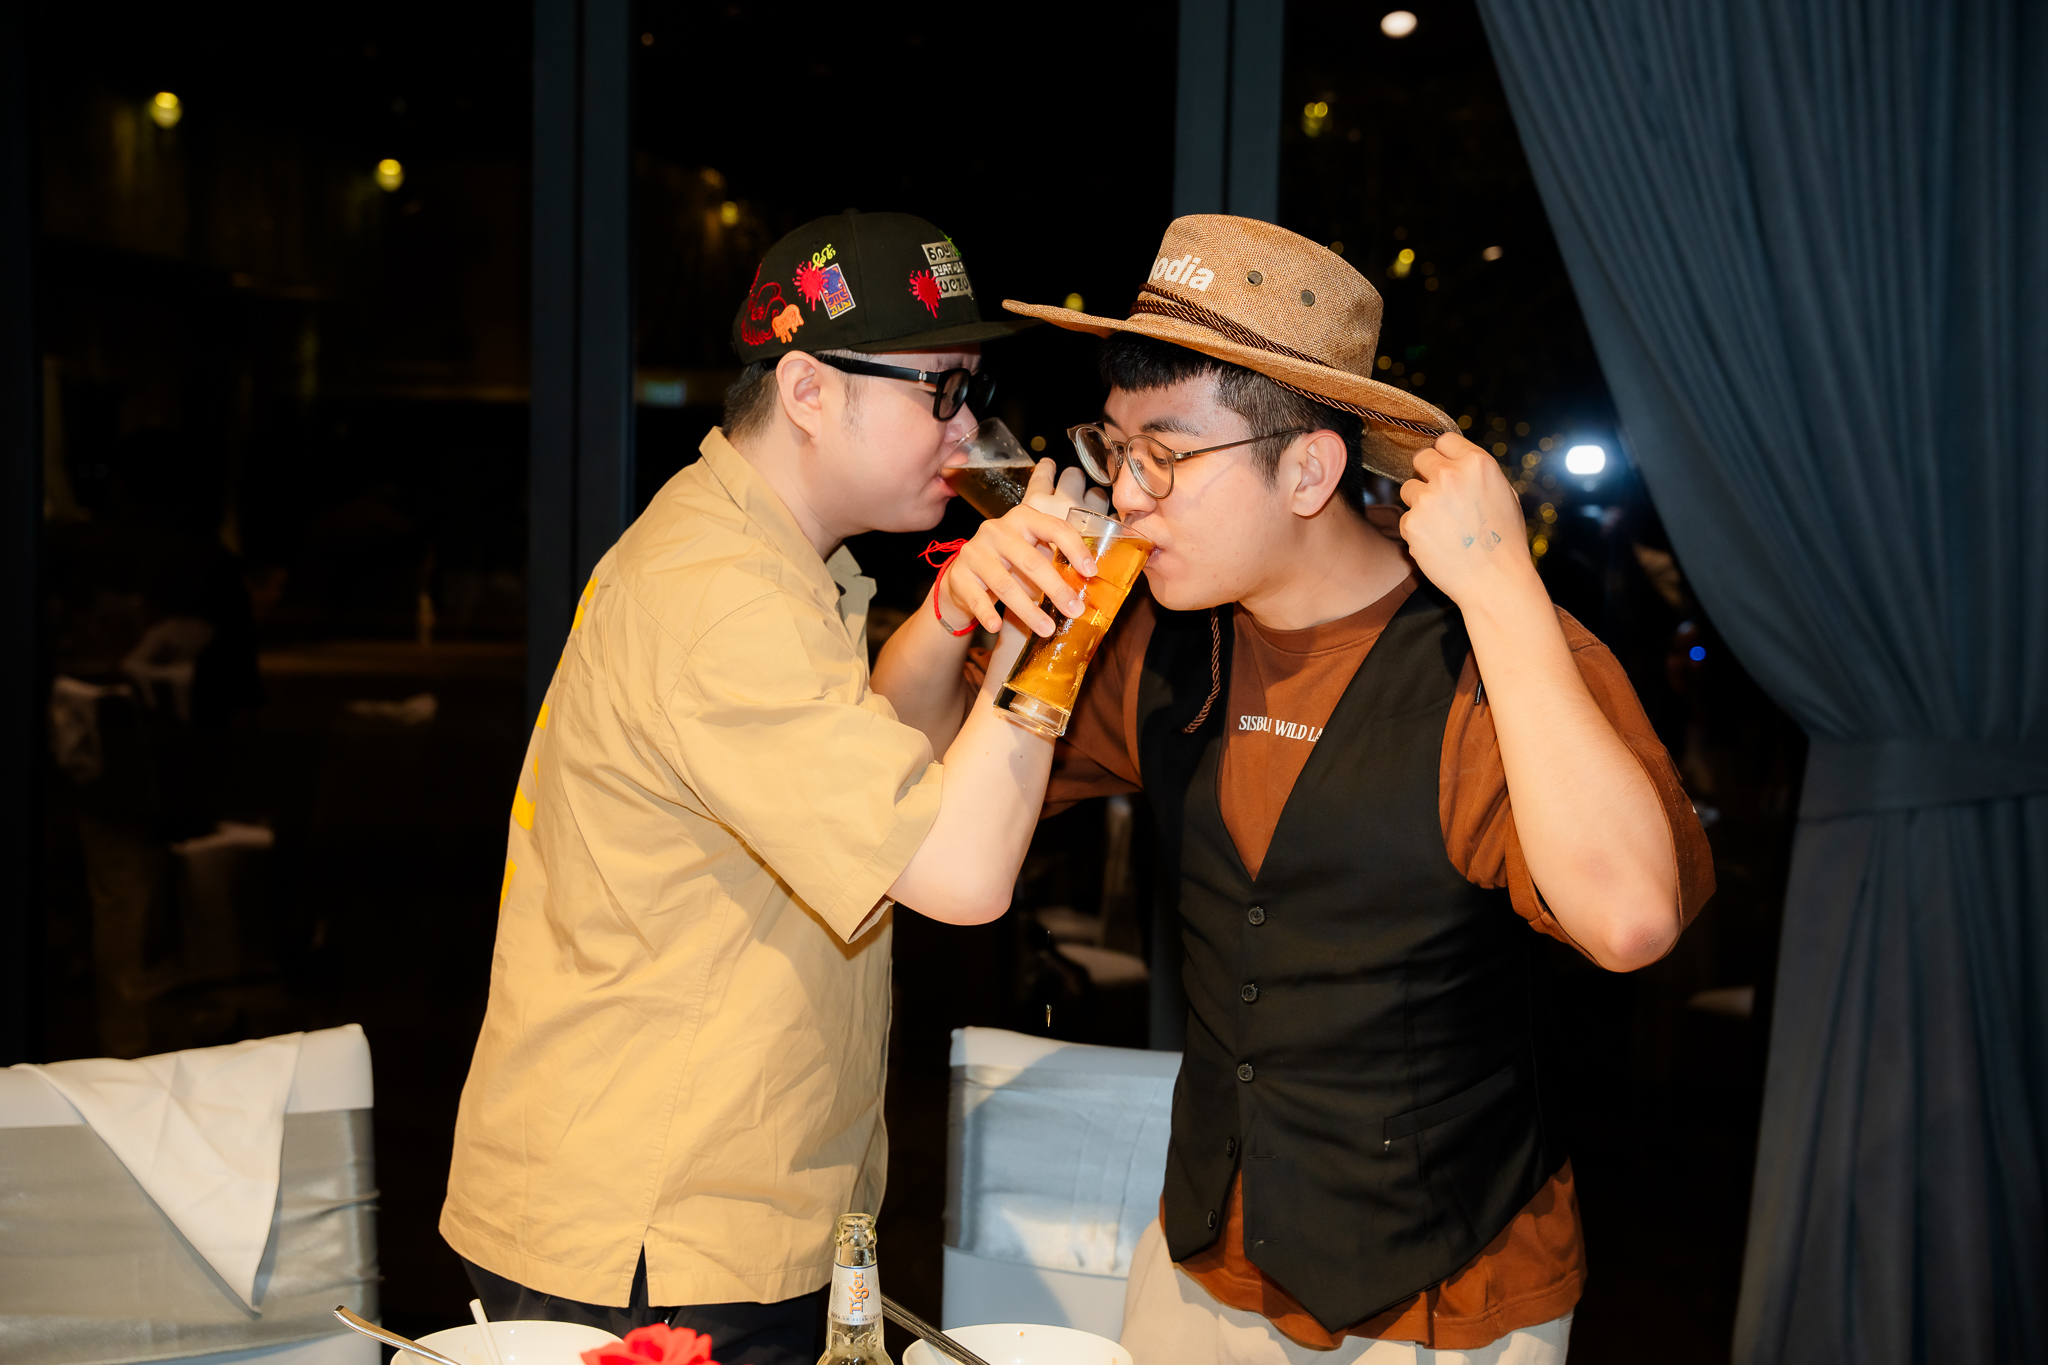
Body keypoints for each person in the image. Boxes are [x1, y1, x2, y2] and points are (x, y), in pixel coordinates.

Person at [927, 216, 1715, 1363]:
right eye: (1115, 447)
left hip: (1448, 1298)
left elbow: (1629, 920)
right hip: (1200, 1260)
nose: (1127, 495)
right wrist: (961, 611)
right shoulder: (1150, 636)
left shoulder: (1488, 662)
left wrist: (1503, 592)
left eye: (1165, 457)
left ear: (1306, 469)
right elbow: (908, 786)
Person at [440, 211, 1103, 1365]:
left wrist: (952, 613)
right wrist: (1050, 629)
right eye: (940, 391)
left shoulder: (755, 555)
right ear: (807, 389)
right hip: (659, 1233)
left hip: (690, 1196)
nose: (968, 428)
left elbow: (873, 770)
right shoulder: (727, 597)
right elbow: (958, 873)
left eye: (975, 391)